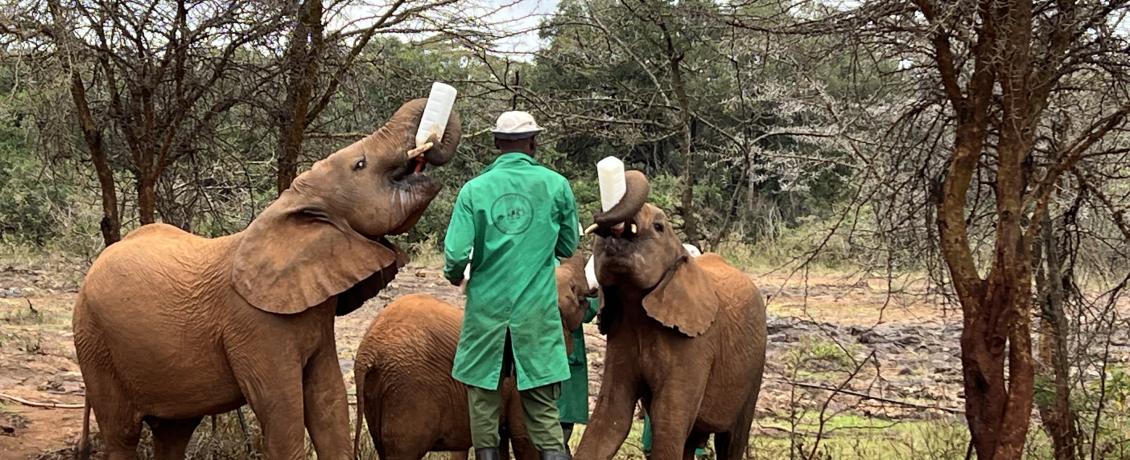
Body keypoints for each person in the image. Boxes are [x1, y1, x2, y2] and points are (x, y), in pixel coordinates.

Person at [444, 111, 580, 460]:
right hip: (536, 313)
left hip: (486, 313)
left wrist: (455, 274)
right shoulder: (556, 185)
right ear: (534, 143)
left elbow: (456, 254)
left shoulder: (473, 190)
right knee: (543, 409)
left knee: (483, 403)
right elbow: (566, 247)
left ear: (495, 144)